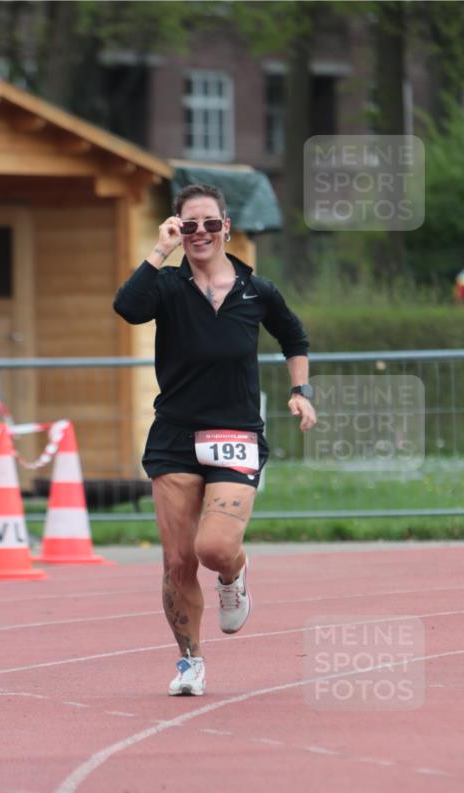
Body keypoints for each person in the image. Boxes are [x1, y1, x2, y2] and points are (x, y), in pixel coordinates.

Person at [113, 183, 316, 696]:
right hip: (175, 437)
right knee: (177, 559)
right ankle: (190, 662)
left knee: (214, 548)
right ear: (176, 229)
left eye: (208, 223)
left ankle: (234, 573)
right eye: (187, 225)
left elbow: (293, 337)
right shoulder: (166, 286)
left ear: (226, 227)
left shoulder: (256, 291)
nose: (198, 233)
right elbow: (127, 307)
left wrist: (300, 390)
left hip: (236, 433)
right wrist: (159, 251)